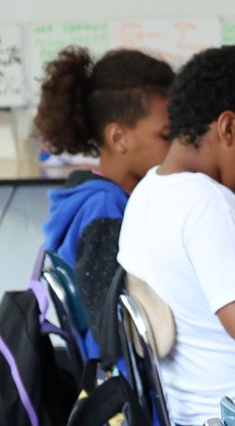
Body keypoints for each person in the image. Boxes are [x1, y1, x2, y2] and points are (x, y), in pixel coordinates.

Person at [117, 45, 235, 426]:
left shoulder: (149, 191)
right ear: (228, 127)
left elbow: (215, 285)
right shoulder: (210, 204)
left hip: (195, 414)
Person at [32, 46, 174, 358]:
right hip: (126, 384)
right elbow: (115, 330)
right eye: (166, 136)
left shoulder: (94, 196)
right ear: (118, 137)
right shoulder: (105, 210)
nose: (177, 147)